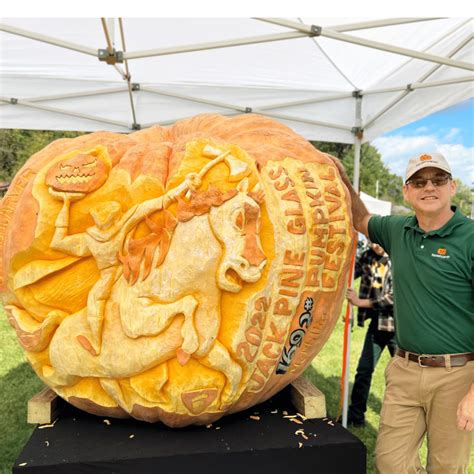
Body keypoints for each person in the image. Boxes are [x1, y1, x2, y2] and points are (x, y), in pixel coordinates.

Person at [330, 152, 473, 473]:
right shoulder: (398, 229)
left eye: (438, 180)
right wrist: (340, 175)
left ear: (453, 186)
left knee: (446, 467)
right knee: (391, 461)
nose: (429, 187)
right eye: (419, 181)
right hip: (405, 370)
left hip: (458, 375)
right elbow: (360, 219)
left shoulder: (471, 238)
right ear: (407, 192)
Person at [346, 241, 396, 428]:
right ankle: (355, 416)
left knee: (400, 377)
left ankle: (397, 421)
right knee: (364, 370)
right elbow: (350, 273)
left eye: (378, 240)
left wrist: (359, 302)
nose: (375, 245)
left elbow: (392, 297)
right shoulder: (367, 256)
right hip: (377, 325)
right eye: (371, 240)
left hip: (398, 327)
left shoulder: (396, 258)